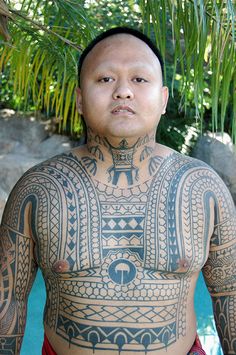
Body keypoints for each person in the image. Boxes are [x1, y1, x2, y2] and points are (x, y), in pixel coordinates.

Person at [0, 26, 235, 355]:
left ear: (163, 99)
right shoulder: (39, 189)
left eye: (139, 79)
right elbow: (8, 301)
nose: (123, 91)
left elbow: (230, 292)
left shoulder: (203, 188)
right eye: (105, 79)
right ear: (80, 100)